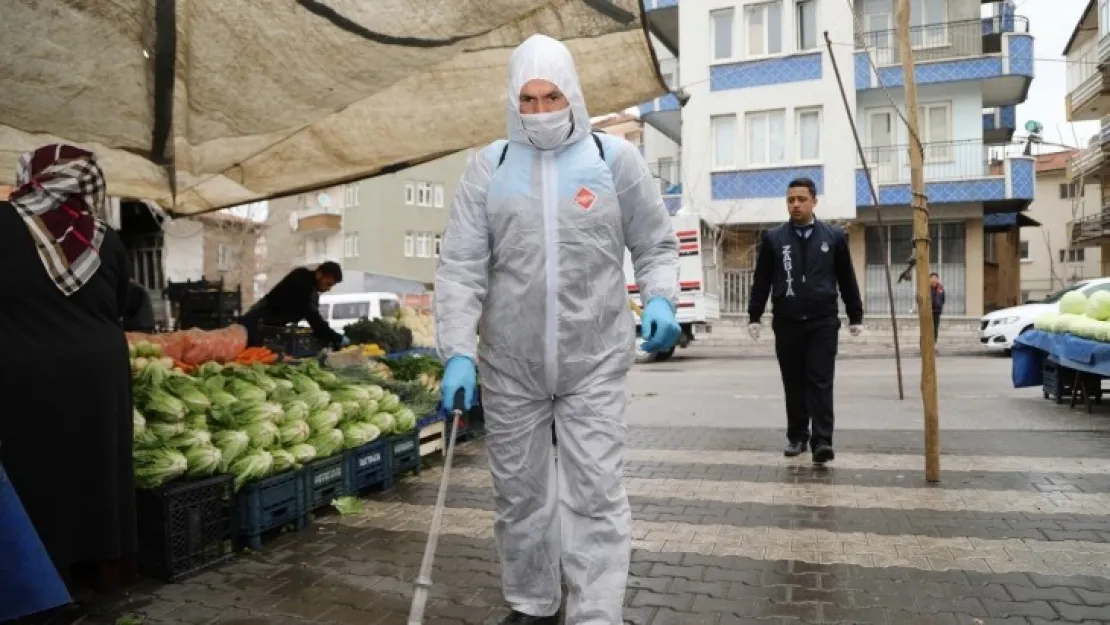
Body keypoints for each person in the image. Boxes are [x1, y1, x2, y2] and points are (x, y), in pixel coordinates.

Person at [434, 34, 681, 625]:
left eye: (551, 97)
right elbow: (462, 267)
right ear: (512, 100)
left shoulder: (613, 160)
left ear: (572, 95)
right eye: (529, 98)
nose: (540, 111)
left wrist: (662, 299)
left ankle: (596, 612)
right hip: (510, 365)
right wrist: (457, 353)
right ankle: (532, 601)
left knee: (594, 493)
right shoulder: (487, 168)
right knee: (519, 495)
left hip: (592, 359)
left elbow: (653, 243)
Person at [0, 144, 137, 611]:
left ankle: (46, 577)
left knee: (37, 468)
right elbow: (121, 304)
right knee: (98, 466)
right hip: (100, 370)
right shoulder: (104, 236)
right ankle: (100, 572)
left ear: (29, 177)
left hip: (26, 369)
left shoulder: (3, 223)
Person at [747, 178, 864, 464]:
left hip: (823, 322)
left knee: (820, 381)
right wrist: (755, 315)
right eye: (790, 200)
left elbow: (846, 277)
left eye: (801, 199)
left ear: (814, 201)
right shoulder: (774, 238)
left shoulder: (834, 237)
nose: (795, 204)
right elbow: (762, 279)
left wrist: (855, 314)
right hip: (787, 322)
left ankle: (822, 441)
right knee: (793, 381)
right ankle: (797, 436)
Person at [237, 262, 348, 350]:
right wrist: (337, 338)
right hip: (257, 323)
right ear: (319, 274)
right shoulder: (305, 285)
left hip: (263, 322)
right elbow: (315, 320)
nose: (328, 289)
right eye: (328, 284)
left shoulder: (302, 276)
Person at [930, 272, 945, 343]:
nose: (934, 280)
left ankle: (933, 345)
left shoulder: (941, 288)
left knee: (935, 329)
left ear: (938, 279)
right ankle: (925, 346)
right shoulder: (927, 288)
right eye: (932, 278)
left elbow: (943, 299)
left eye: (935, 278)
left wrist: (940, 307)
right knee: (927, 329)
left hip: (937, 312)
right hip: (928, 312)